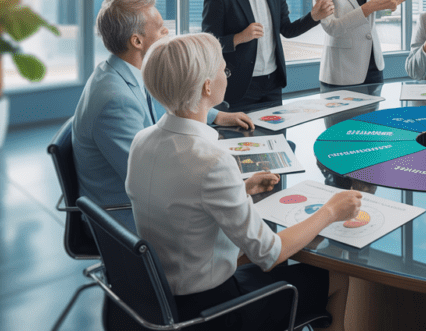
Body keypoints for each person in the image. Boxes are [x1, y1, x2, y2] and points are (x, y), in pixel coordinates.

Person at [128, 33, 363, 331]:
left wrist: (242, 188)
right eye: (224, 69)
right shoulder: (211, 161)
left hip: (163, 301)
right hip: (215, 312)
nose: (228, 74)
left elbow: (181, 203)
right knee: (335, 276)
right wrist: (331, 211)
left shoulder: (142, 141)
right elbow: (269, 254)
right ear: (207, 86)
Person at [73, 0, 252, 230]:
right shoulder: (115, 101)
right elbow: (147, 177)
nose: (167, 32)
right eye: (159, 29)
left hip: (141, 199)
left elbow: (162, 99)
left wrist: (216, 115)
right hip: (125, 218)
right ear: (137, 41)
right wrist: (221, 178)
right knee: (242, 205)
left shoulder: (125, 72)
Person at [202, 0, 335, 110]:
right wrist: (240, 37)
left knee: (275, 138)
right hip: (240, 88)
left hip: (272, 84)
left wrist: (314, 17)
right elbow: (207, 46)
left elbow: (286, 29)